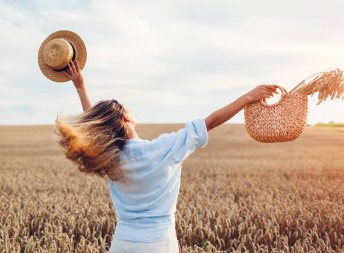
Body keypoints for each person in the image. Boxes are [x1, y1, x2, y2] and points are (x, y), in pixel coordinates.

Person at [55, 60, 278, 253]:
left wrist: (80, 88)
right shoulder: (163, 149)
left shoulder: (110, 157)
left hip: (122, 242)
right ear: (125, 118)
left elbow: (97, 132)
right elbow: (209, 123)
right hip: (157, 243)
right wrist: (248, 97)